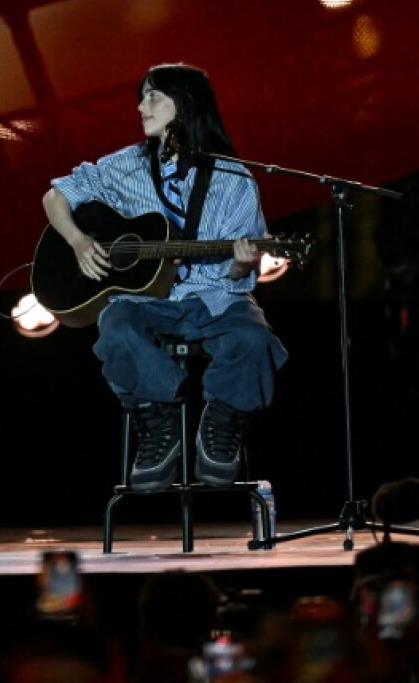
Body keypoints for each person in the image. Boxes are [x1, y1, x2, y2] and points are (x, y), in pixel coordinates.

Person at [42, 63, 287, 490]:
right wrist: (80, 242)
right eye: (142, 96)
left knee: (253, 338)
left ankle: (223, 421)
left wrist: (243, 262)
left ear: (186, 103)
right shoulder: (123, 166)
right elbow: (55, 196)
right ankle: (158, 424)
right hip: (145, 300)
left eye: (153, 95)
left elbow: (233, 277)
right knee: (116, 327)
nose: (141, 105)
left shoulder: (234, 179)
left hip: (213, 296)